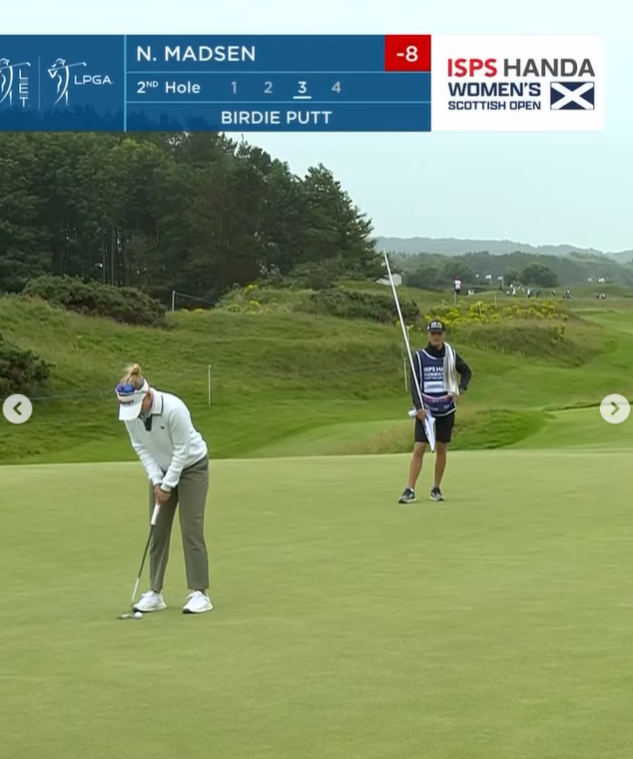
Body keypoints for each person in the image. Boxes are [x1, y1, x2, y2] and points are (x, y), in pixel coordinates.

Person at [116, 363, 213, 614]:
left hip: (192, 467)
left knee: (191, 528)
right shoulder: (130, 413)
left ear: (147, 395)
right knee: (158, 530)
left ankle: (200, 593)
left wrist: (167, 485)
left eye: (136, 405)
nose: (132, 412)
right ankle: (155, 592)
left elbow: (182, 450)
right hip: (161, 470)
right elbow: (140, 446)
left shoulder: (173, 408)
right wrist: (157, 480)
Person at [398, 320, 472, 504]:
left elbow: (466, 372)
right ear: (428, 335)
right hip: (426, 412)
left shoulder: (450, 354)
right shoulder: (419, 357)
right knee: (419, 448)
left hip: (446, 410)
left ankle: (436, 488)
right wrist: (418, 408)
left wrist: (460, 390)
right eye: (433, 333)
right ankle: (410, 489)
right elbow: (415, 385)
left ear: (444, 335)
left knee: (442, 448)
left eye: (439, 333)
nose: (436, 337)